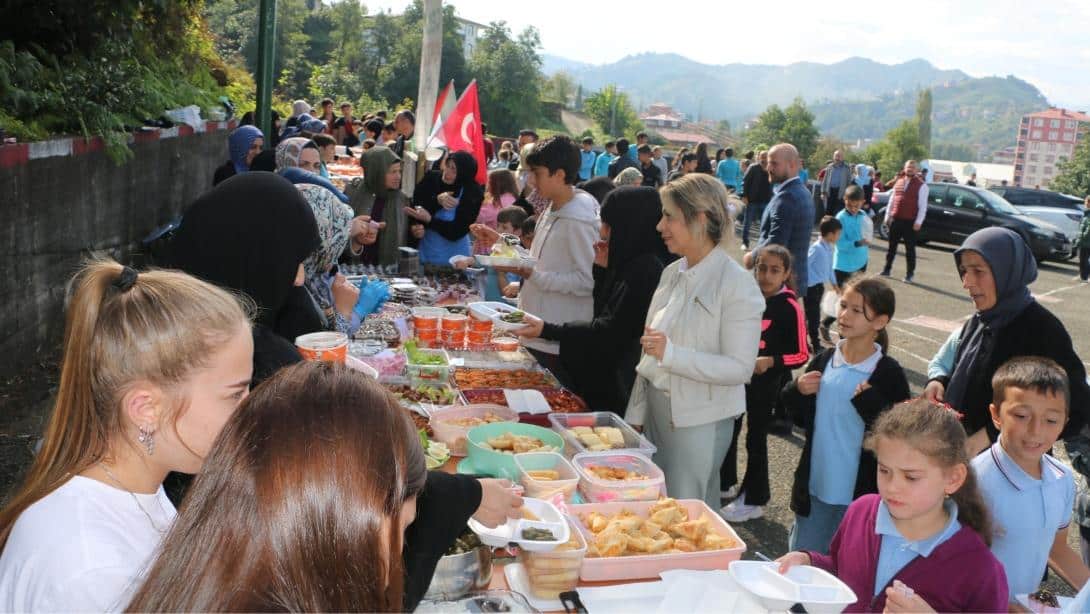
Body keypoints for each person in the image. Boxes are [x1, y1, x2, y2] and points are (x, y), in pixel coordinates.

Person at [0, 260, 253, 612]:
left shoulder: (139, 490)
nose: (250, 407)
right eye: (235, 394)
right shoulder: (93, 572)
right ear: (147, 410)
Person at [776, 398, 1009, 613]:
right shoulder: (862, 510)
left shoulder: (980, 569)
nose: (892, 487)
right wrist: (810, 563)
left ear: (953, 479)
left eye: (911, 477)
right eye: (884, 470)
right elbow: (841, 569)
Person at [626, 174, 764, 509]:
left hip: (698, 424)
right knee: (657, 508)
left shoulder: (736, 285)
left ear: (700, 218)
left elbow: (740, 368)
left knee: (687, 515)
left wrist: (673, 355)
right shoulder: (672, 272)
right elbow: (650, 353)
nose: (661, 226)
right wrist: (635, 414)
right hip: (659, 416)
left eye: (669, 216)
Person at [923, 226, 1090, 454]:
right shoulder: (981, 320)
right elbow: (965, 372)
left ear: (1007, 271)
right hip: (961, 459)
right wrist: (940, 382)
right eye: (963, 271)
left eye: (978, 271)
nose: (967, 282)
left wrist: (992, 435)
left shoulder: (1043, 330)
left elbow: (1077, 407)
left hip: (1012, 470)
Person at [782, 277, 909, 553]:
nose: (843, 315)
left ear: (880, 321)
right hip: (815, 488)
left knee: (847, 569)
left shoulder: (888, 373)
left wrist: (871, 403)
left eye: (856, 310)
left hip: (860, 497)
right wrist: (796, 390)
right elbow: (799, 418)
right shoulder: (825, 361)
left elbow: (902, 436)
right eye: (843, 306)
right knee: (801, 564)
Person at [515, 186, 667, 414]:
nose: (602, 232)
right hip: (608, 379)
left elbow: (610, 330)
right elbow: (602, 310)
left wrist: (548, 330)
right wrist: (603, 271)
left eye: (608, 225)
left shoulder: (646, 270)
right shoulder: (629, 262)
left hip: (623, 385)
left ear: (628, 225)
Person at [171, 173, 320, 384]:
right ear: (256, 253)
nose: (299, 279)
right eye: (290, 258)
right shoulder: (258, 362)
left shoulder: (160, 324)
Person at [972, 357, 1089, 600]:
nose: (1036, 430)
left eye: (1051, 420)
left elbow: (1057, 549)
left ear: (1064, 423)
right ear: (996, 415)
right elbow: (958, 569)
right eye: (1022, 415)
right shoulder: (973, 482)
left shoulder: (1063, 479)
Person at [494, 136, 599, 385]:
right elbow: (539, 261)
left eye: (537, 173)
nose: (531, 181)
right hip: (535, 331)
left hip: (555, 340)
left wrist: (533, 276)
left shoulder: (579, 219)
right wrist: (505, 243)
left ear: (560, 175)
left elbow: (587, 281)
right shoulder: (553, 208)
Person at [721, 244, 808, 522]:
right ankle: (726, 482)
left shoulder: (789, 305)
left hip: (765, 385)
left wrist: (771, 361)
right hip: (736, 378)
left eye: (774, 270)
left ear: (786, 274)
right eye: (761, 268)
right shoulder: (747, 295)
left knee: (755, 437)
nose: (766, 276)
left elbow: (802, 353)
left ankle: (756, 498)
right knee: (728, 428)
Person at [296, 184, 381, 337]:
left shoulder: (306, 271)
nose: (333, 260)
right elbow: (323, 349)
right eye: (335, 243)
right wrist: (347, 312)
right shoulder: (295, 287)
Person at [744, 144, 813, 296]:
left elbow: (777, 242)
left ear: (792, 165)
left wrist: (752, 257)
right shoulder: (803, 192)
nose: (768, 167)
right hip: (791, 280)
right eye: (768, 162)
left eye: (774, 163)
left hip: (777, 284)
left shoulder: (787, 197)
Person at [406, 151, 484, 265]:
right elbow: (417, 207)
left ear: (464, 174)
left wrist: (430, 220)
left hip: (456, 258)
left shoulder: (472, 192)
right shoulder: (431, 178)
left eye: (454, 170)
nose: (448, 172)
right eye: (448, 166)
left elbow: (457, 231)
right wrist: (436, 201)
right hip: (427, 251)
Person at [348, 145, 405, 267]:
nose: (398, 176)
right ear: (376, 172)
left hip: (389, 271)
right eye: (392, 172)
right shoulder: (352, 192)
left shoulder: (401, 199)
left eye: (399, 171)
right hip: (353, 267)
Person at [880, 160, 928, 283]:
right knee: (891, 247)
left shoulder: (922, 186)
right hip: (896, 220)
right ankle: (887, 269)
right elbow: (892, 200)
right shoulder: (899, 182)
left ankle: (909, 274)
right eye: (908, 167)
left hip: (911, 222)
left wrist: (919, 221)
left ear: (916, 170)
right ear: (904, 168)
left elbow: (923, 206)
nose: (910, 169)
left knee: (910, 250)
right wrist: (887, 216)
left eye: (912, 167)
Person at [805, 216, 842, 351]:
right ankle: (815, 345)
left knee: (810, 316)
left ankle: (802, 341)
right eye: (838, 234)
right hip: (810, 288)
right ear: (831, 234)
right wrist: (804, 282)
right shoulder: (817, 248)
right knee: (814, 317)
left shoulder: (830, 248)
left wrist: (835, 284)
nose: (839, 236)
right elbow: (805, 264)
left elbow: (829, 268)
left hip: (819, 287)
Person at [274, 137, 350, 204]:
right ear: (286, 162)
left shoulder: (322, 198)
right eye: (303, 164)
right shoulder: (274, 196)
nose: (311, 171)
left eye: (316, 166)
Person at [474, 169, 519, 255]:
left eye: (490, 182)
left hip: (488, 245)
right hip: (509, 244)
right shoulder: (514, 198)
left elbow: (478, 217)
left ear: (496, 184)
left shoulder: (496, 202)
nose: (488, 184)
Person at [833, 185, 871, 285]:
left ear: (863, 202)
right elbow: (839, 243)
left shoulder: (863, 214)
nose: (853, 209)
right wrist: (857, 243)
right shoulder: (840, 218)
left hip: (861, 262)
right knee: (842, 296)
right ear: (845, 199)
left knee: (857, 294)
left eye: (856, 206)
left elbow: (867, 232)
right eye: (849, 205)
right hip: (843, 265)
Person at [740, 150, 771, 249]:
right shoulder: (753, 167)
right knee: (747, 223)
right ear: (759, 157)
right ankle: (745, 243)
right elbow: (745, 181)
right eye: (762, 157)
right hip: (752, 200)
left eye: (766, 157)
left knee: (765, 224)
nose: (764, 159)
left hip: (766, 200)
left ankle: (762, 245)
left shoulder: (771, 168)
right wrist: (744, 196)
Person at [820, 150, 852, 216]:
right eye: (836, 156)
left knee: (837, 212)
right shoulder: (829, 167)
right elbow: (825, 180)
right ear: (833, 157)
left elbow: (849, 183)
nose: (837, 158)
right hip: (829, 192)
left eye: (839, 156)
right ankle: (827, 226)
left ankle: (835, 226)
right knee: (827, 211)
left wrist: (847, 195)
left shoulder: (846, 168)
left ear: (843, 158)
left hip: (840, 193)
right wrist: (823, 192)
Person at [1076, 200, 1090, 283]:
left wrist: (1082, 237)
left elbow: (1088, 229)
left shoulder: (1088, 215)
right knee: (1084, 259)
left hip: (1086, 242)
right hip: (1086, 241)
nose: (1086, 203)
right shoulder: (1086, 214)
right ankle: (1084, 276)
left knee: (1083, 259)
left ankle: (1084, 277)